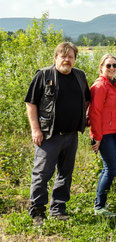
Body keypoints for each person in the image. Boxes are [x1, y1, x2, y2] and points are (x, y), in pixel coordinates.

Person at [25, 42, 90, 226]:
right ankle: (37, 211)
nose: (67, 60)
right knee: (42, 174)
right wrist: (35, 129)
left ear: (75, 59)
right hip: (49, 135)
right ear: (55, 57)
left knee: (65, 173)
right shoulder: (44, 75)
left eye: (71, 57)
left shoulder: (80, 75)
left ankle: (58, 209)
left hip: (71, 135)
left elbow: (87, 100)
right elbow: (31, 103)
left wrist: (83, 117)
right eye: (63, 56)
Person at [89, 54, 116, 216]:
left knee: (108, 168)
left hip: (111, 133)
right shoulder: (100, 86)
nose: (112, 68)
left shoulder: (113, 84)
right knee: (111, 168)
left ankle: (100, 205)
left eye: (114, 65)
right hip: (103, 135)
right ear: (101, 67)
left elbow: (114, 112)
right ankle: (99, 206)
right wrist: (97, 137)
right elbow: (94, 113)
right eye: (108, 65)